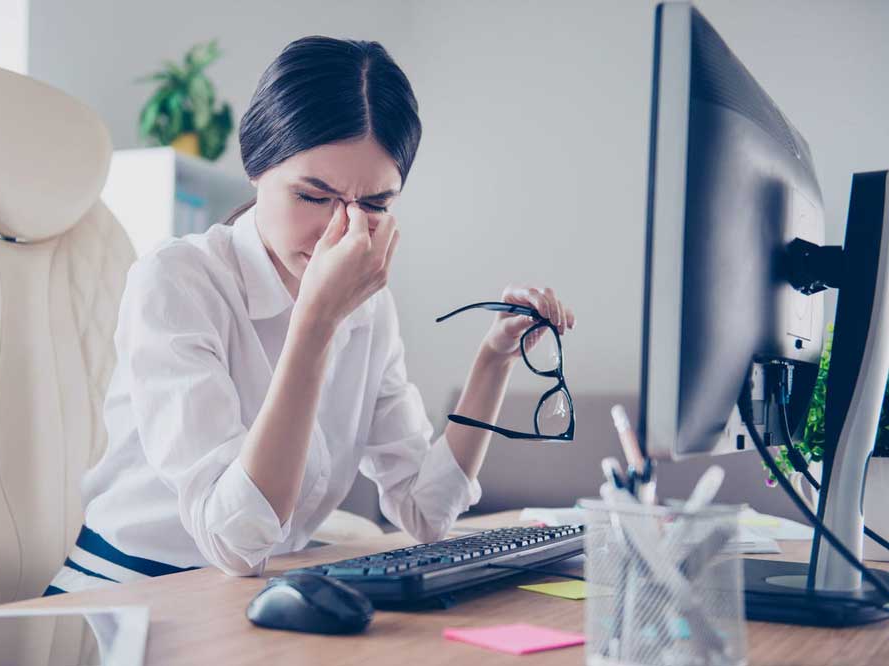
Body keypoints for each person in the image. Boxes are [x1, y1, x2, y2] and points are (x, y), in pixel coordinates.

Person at [44, 35, 574, 595]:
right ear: (256, 167)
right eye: (314, 197)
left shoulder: (369, 306)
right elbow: (235, 541)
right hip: (127, 593)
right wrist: (316, 323)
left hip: (256, 595)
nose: (341, 232)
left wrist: (493, 363)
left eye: (375, 205)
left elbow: (425, 513)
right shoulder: (177, 281)